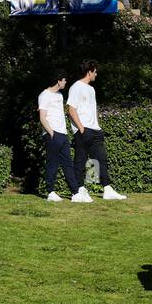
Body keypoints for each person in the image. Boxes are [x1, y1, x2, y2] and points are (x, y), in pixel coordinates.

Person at [68, 60, 126, 201]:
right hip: (83, 130)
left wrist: (97, 126)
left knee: (101, 158)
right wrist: (81, 128)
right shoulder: (76, 87)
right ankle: (79, 189)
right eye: (95, 71)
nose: (96, 74)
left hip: (95, 130)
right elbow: (70, 109)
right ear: (89, 71)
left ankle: (107, 189)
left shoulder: (91, 89)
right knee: (81, 160)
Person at [39, 70, 82, 202]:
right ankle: (50, 192)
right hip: (52, 134)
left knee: (68, 163)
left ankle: (75, 193)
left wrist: (62, 133)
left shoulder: (59, 95)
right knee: (53, 163)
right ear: (59, 81)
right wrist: (51, 133)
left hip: (63, 134)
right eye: (64, 80)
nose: (65, 82)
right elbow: (42, 117)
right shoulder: (44, 95)